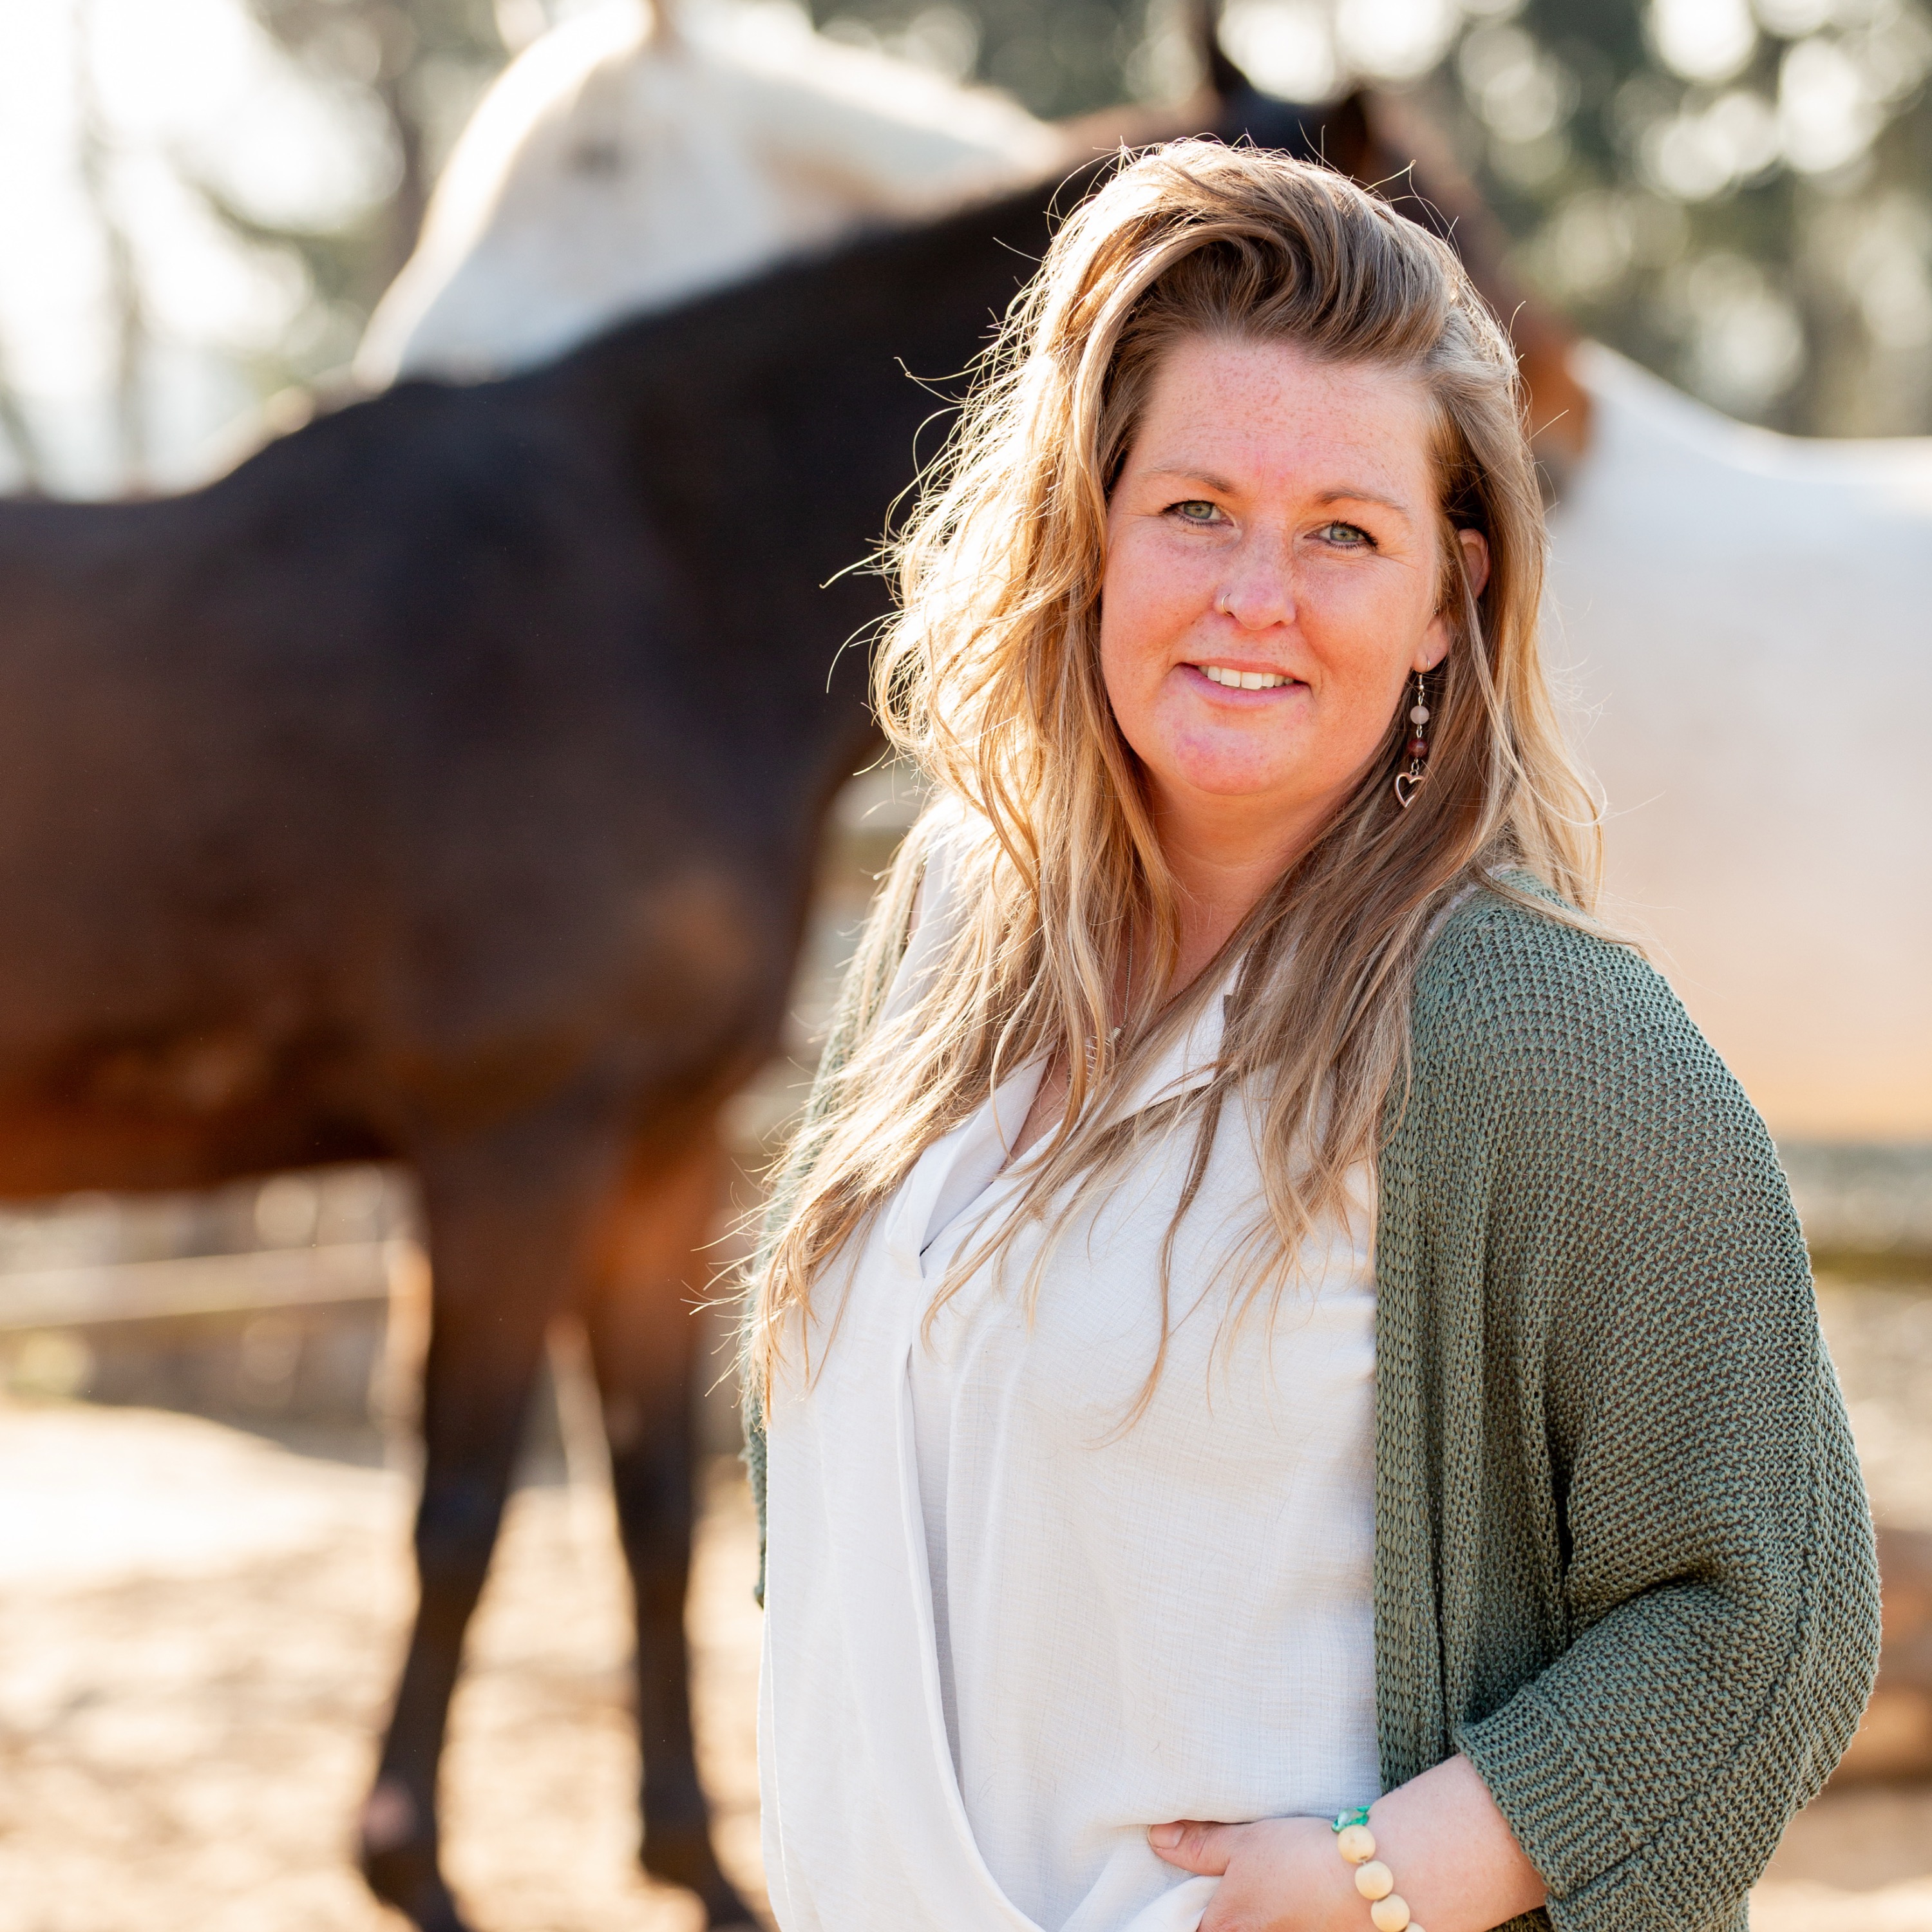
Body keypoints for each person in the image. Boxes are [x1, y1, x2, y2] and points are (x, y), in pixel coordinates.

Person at [741, 142, 1879, 1932]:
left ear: (1445, 598)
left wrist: (1387, 1878)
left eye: (1344, 531)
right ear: (1090, 529)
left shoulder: (1542, 1042)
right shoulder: (952, 920)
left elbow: (1770, 1612)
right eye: (1196, 507)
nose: (1255, 593)